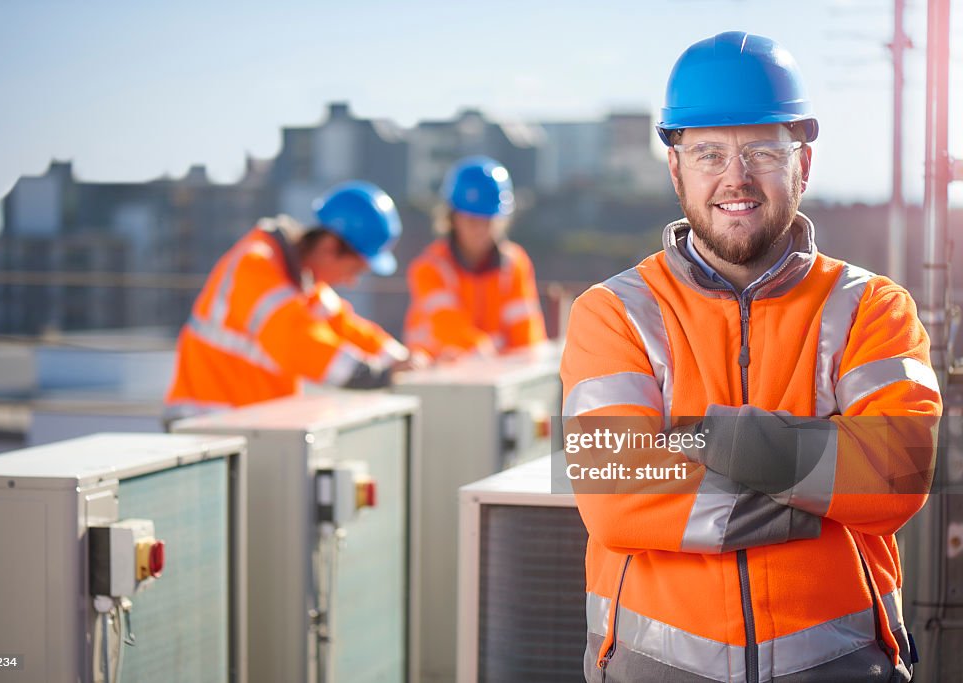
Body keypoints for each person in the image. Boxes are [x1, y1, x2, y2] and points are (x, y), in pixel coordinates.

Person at [560, 32, 941, 682]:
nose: (735, 178)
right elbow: (614, 491)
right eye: (708, 152)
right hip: (654, 667)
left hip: (841, 663)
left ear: (804, 164)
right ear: (675, 169)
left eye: (763, 150)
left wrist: (705, 436)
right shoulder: (613, 311)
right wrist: (820, 484)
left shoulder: (872, 307)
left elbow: (896, 472)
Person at [165, 180, 422, 420]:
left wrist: (404, 359)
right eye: (354, 270)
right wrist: (378, 375)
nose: (351, 281)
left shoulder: (302, 283)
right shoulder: (256, 265)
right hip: (203, 425)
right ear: (329, 247)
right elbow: (298, 342)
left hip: (244, 424)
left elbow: (347, 328)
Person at [403, 155, 547, 359]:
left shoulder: (515, 264)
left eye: (487, 221)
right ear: (452, 218)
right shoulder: (429, 269)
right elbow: (449, 329)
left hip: (497, 375)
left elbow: (527, 335)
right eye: (472, 220)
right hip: (435, 377)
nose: (480, 230)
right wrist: (484, 353)